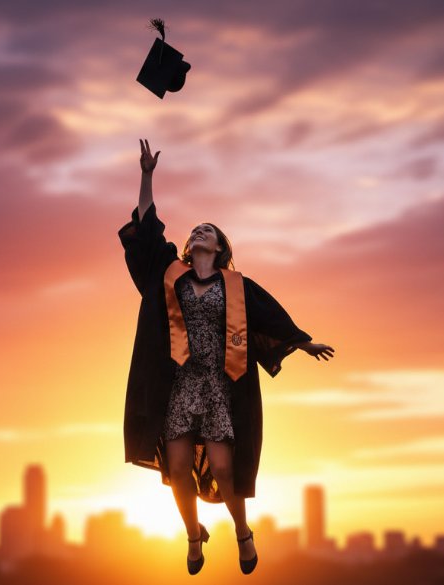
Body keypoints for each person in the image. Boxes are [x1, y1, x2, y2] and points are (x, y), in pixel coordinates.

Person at [118, 139, 334, 575]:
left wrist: (301, 341)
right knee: (177, 469)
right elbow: (146, 230)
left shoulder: (236, 286)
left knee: (222, 466)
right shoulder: (169, 275)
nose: (198, 233)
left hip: (219, 385)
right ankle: (195, 536)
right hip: (178, 383)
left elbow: (269, 317)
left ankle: (242, 532)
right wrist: (146, 175)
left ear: (220, 247)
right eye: (195, 230)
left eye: (207, 231)